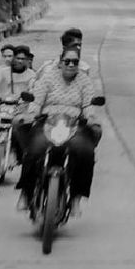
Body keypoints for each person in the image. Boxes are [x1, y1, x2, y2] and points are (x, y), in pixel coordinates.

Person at [15, 46, 102, 215]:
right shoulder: (48, 78)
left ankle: (76, 198)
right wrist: (32, 114)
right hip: (48, 122)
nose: (71, 65)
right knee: (33, 150)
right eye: (67, 61)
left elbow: (88, 105)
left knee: (85, 152)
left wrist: (90, 117)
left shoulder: (84, 81)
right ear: (60, 62)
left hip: (74, 124)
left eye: (75, 62)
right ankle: (25, 193)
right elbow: (37, 101)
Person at [0, 44, 36, 161]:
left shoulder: (32, 75)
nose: (19, 61)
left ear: (27, 60)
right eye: (17, 58)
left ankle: (22, 154)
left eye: (22, 59)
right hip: (2, 106)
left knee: (23, 128)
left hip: (21, 108)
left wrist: (30, 96)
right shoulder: (2, 71)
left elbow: (34, 89)